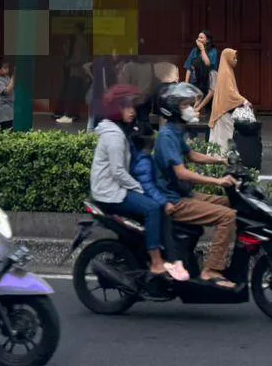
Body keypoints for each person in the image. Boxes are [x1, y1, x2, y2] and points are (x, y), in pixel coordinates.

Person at [91, 84, 187, 280]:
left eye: (132, 107)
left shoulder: (119, 131)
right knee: (152, 208)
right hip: (110, 192)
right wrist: (140, 189)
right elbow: (118, 171)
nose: (132, 111)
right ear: (116, 109)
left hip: (115, 187)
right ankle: (156, 262)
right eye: (127, 107)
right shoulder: (114, 136)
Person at [151, 82, 239, 287]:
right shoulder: (166, 136)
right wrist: (218, 181)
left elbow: (191, 155)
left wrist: (221, 160)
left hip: (184, 194)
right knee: (228, 216)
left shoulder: (175, 131)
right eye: (185, 105)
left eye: (190, 104)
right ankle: (211, 269)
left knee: (230, 203)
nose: (191, 108)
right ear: (172, 110)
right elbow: (181, 173)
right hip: (174, 200)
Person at [129, 122, 188, 274]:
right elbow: (147, 186)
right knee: (165, 221)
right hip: (147, 198)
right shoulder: (143, 161)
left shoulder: (144, 157)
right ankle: (170, 259)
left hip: (148, 195)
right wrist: (164, 202)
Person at [206, 48, 251, 150]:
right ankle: (220, 158)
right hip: (223, 112)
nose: (236, 60)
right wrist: (244, 101)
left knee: (223, 138)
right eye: (234, 58)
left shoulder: (227, 71)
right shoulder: (225, 73)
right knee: (223, 139)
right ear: (228, 59)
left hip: (223, 110)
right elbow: (230, 93)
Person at [184, 31, 219, 97]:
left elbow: (207, 63)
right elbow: (189, 67)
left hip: (207, 82)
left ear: (208, 40)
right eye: (198, 37)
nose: (199, 39)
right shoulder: (194, 50)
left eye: (201, 38)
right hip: (194, 81)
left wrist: (202, 49)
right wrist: (186, 84)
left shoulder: (213, 51)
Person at [0, 60, 15, 131]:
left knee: (11, 131)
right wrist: (13, 79)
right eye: (5, 68)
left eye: (7, 67)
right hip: (3, 111)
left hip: (10, 109)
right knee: (5, 132)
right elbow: (6, 91)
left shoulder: (6, 77)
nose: (7, 69)